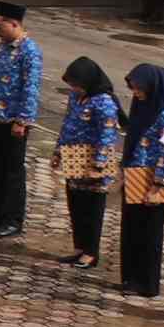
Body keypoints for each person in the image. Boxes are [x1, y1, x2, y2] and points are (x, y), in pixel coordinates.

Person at [115, 62, 164, 301]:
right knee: (132, 228)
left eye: (138, 88)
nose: (135, 93)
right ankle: (130, 277)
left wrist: (159, 185)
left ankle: (146, 281)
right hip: (135, 174)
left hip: (153, 179)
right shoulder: (141, 106)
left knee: (149, 232)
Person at [0, 3, 44, 239]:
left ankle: (13, 219)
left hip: (14, 121)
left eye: (1, 27)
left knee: (13, 171)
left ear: (14, 23)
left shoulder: (29, 51)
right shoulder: (3, 47)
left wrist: (23, 120)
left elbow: (31, 89)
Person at [53, 55, 122, 270]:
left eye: (77, 85)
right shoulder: (76, 98)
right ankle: (79, 247)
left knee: (92, 209)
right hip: (74, 156)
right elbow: (67, 123)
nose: (75, 89)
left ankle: (91, 253)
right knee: (76, 204)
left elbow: (107, 135)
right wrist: (58, 151)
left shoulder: (104, 102)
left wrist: (99, 164)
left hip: (94, 160)